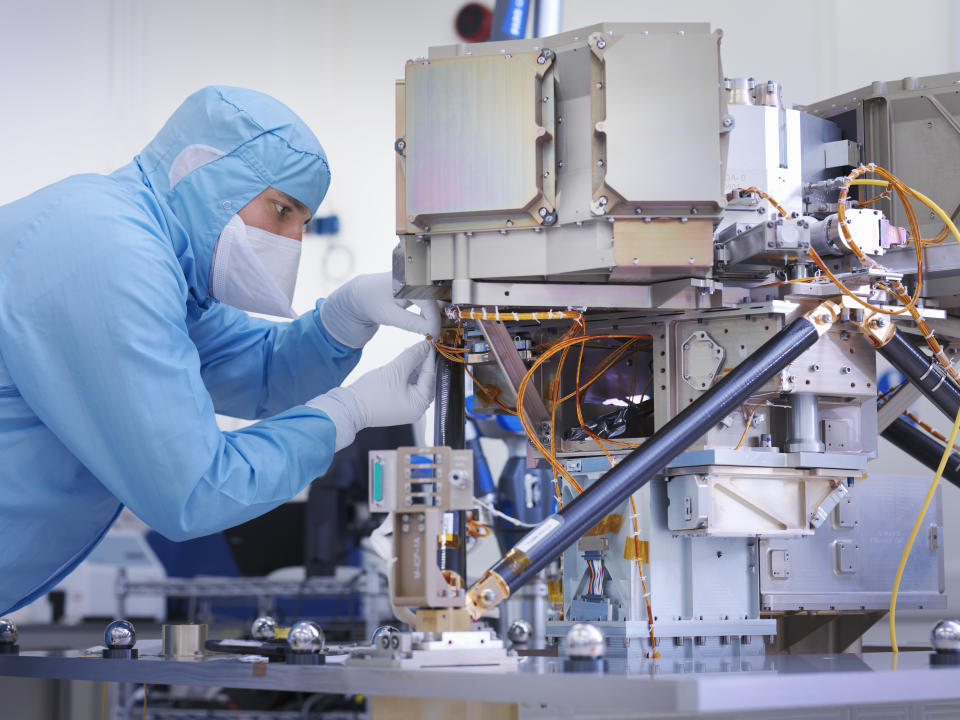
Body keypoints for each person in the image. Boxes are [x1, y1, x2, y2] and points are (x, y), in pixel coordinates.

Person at [0, 86, 439, 615]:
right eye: (282, 211)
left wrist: (342, 319)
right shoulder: (111, 256)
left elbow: (259, 373)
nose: (293, 242)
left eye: (303, 223)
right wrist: (348, 412)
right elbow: (194, 490)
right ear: (206, 171)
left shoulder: (158, 257)